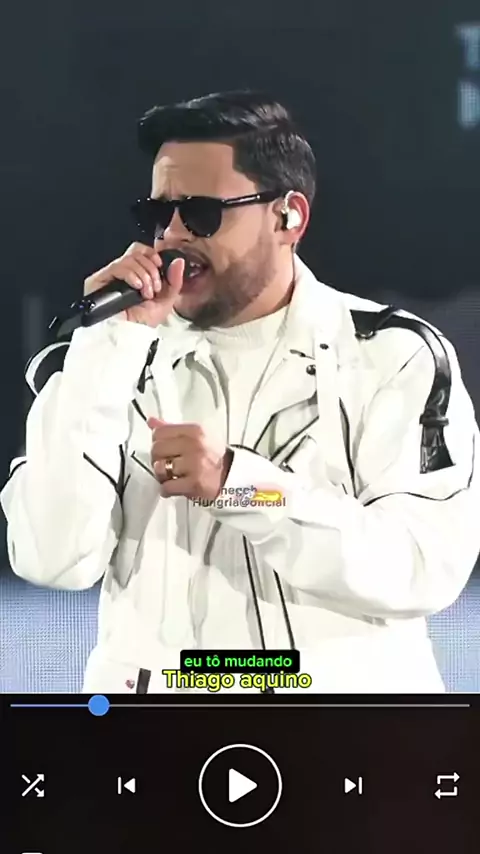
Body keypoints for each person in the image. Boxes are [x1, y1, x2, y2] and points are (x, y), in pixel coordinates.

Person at [2, 90, 479, 694]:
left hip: (343, 728)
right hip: (158, 729)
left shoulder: (393, 356)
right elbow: (50, 558)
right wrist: (104, 352)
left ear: (289, 217)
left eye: (201, 213)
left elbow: (419, 565)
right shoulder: (103, 361)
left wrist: (240, 485)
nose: (172, 235)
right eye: (159, 214)